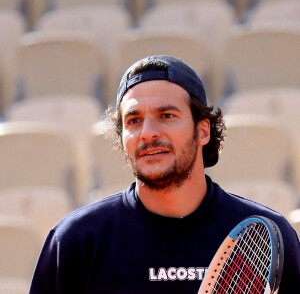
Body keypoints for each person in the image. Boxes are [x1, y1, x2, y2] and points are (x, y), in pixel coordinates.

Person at [29, 55, 300, 294]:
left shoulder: (269, 238)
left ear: (203, 130)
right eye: (133, 121)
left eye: (166, 115)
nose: (147, 132)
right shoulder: (76, 241)